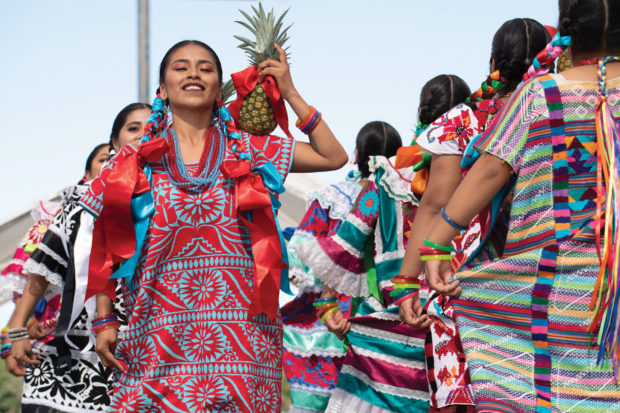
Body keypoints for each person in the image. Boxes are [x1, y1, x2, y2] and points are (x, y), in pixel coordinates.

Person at [81, 40, 348, 411]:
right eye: (181, 67)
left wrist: (289, 92)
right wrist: (105, 316)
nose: (194, 73)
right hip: (157, 340)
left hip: (243, 342)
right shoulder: (133, 161)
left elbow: (332, 155)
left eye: (205, 68)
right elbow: (107, 237)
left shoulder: (251, 149)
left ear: (219, 86)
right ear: (162, 89)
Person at [423, 1, 620, 411]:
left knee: (540, 389)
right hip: (613, 287)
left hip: (551, 287)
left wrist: (437, 244)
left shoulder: (541, 95)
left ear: (567, 30)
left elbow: (491, 171)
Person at [397, 18, 550, 412]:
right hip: (540, 265)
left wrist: (408, 282)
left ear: (494, 59)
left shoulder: (460, 121)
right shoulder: (558, 101)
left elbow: (434, 205)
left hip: (457, 272)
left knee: (467, 394)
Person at [296, 74, 470, 413]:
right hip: (453, 337)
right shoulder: (481, 175)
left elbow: (350, 239)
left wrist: (328, 304)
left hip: (385, 335)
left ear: (421, 114)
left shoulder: (388, 175)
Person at [7, 103, 151, 412]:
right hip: (71, 360)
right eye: (132, 128)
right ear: (115, 142)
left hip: (148, 350)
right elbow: (46, 263)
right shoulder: (89, 197)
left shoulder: (177, 193)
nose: (142, 134)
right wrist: (16, 329)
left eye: (150, 126)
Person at [281, 121, 402, 413]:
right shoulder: (403, 200)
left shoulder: (333, 196)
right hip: (383, 313)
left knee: (313, 402)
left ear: (357, 154)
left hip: (324, 315)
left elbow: (302, 250)